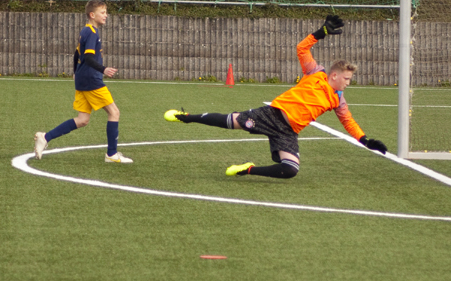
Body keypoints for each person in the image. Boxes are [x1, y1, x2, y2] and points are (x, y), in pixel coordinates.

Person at [163, 15, 387, 179]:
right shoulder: (315, 73)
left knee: (290, 170)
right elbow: (302, 48)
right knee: (231, 121)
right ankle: (186, 117)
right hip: (273, 115)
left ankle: (247, 170)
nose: (348, 82)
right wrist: (320, 33)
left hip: (288, 131)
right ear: (335, 75)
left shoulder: (338, 100)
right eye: (346, 78)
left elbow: (348, 121)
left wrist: (365, 140)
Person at [33, 0, 132, 163]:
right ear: (92, 15)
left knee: (82, 120)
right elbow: (88, 57)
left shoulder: (86, 30)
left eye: (106, 12)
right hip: (91, 80)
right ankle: (111, 154)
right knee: (114, 113)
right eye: (103, 12)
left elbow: (76, 54)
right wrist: (103, 69)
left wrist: (75, 72)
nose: (106, 15)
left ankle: (45, 137)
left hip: (83, 79)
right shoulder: (92, 32)